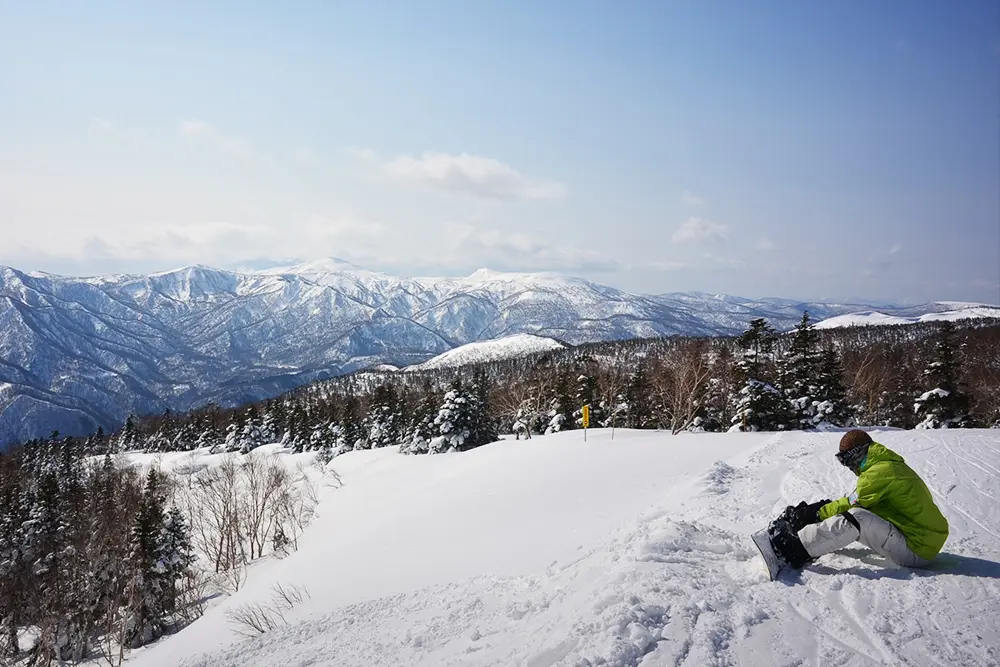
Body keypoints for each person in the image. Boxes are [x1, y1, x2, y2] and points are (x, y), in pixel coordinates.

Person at [767, 429, 949, 570]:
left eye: (846, 460)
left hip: (917, 550)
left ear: (858, 453)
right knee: (855, 513)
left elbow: (853, 504)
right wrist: (819, 509)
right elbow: (855, 500)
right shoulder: (884, 467)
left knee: (857, 518)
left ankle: (795, 550)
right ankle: (803, 535)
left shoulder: (882, 472)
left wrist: (814, 513)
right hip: (920, 543)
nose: (846, 466)